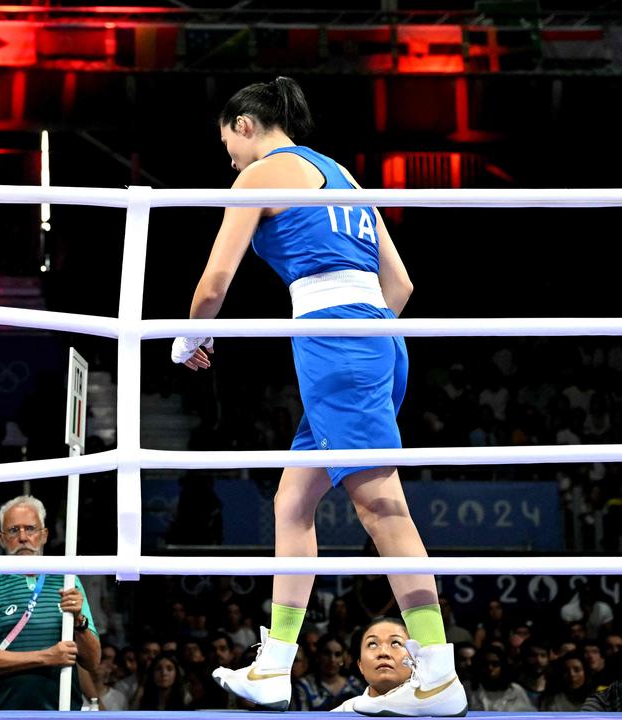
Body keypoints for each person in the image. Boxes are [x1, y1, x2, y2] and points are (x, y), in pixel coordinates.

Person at [172, 76, 464, 716]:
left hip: (337, 346)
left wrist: (186, 338)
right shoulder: (347, 178)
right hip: (374, 342)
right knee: (292, 499)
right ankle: (274, 666)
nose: (232, 164)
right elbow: (402, 285)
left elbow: (216, 278)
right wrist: (357, 342)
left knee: (382, 506)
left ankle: (439, 677)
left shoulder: (262, 175)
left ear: (245, 125)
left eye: (230, 148)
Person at [0, 495, 101, 710]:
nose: (23, 537)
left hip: (61, 714)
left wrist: (79, 620)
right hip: (2, 714)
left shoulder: (68, 580)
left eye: (31, 529)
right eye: (14, 530)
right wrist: (46, 657)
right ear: (1, 538)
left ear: (44, 535)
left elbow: (92, 662)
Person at [332, 616, 413, 711]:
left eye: (395, 643)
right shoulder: (343, 713)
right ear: (360, 665)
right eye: (372, 644)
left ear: (414, 659)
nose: (383, 652)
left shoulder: (432, 713)